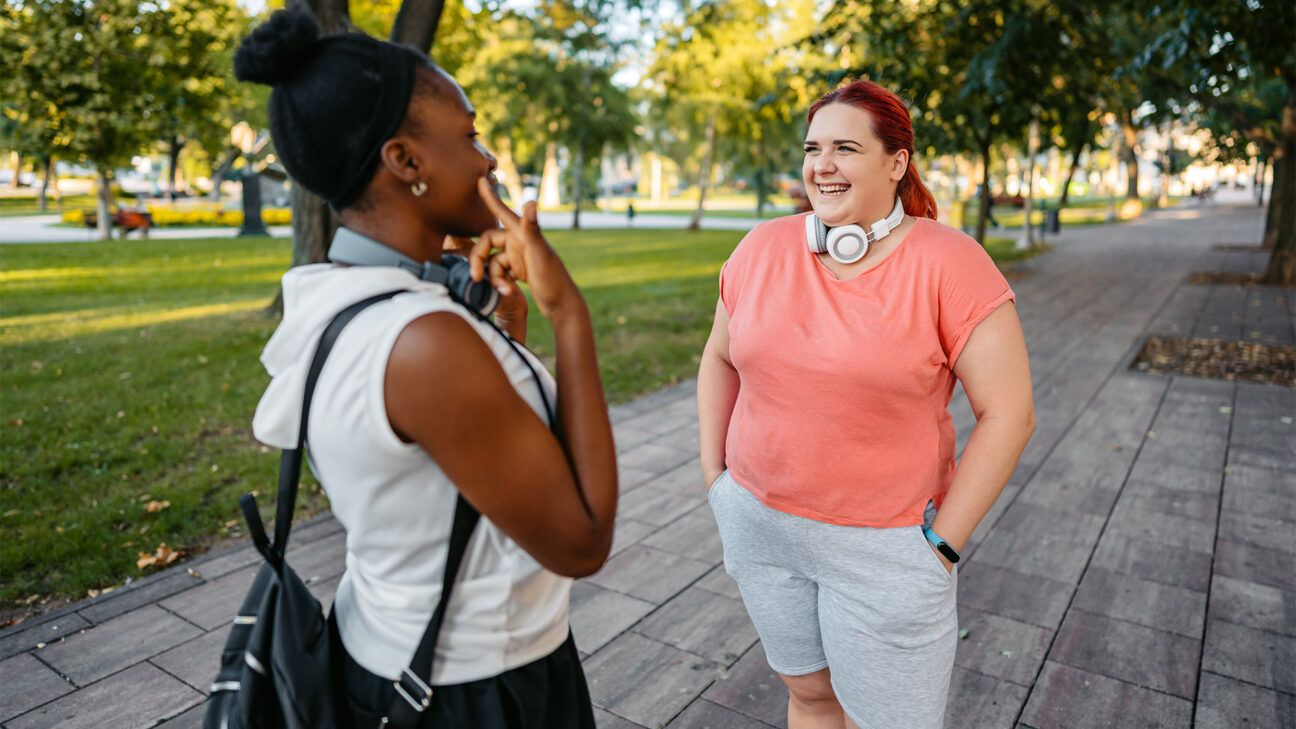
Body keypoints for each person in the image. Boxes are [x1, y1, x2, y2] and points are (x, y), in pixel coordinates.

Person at [235, 8, 616, 727]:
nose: (488, 162)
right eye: (470, 136)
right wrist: (571, 314)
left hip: (391, 653)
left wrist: (509, 330)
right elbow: (583, 538)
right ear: (404, 161)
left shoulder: (339, 299)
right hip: (475, 688)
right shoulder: (423, 341)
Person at [697, 79, 1035, 729]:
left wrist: (941, 547)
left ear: (897, 162)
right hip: (760, 528)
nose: (822, 165)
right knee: (811, 697)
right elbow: (719, 356)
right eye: (812, 147)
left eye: (845, 147)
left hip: (888, 552)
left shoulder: (951, 263)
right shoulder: (760, 248)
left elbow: (1010, 413)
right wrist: (716, 479)